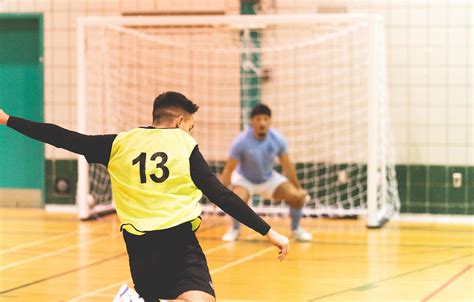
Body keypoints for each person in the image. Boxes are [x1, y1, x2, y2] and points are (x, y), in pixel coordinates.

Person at [0, 92, 289, 302]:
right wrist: (269, 231)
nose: (191, 131)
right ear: (179, 121)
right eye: (191, 125)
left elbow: (62, 137)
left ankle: (132, 300)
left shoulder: (119, 143)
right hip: (179, 244)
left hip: (139, 247)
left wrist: (8, 119)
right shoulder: (183, 144)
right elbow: (220, 195)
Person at [220, 104, 312, 242]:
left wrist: (298, 188)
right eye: (258, 119)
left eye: (265, 119)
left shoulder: (277, 139)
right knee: (236, 201)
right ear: (252, 121)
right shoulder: (241, 141)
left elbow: (287, 165)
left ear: (270, 121)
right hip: (245, 180)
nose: (262, 122)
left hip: (268, 179)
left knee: (297, 197)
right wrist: (219, 193)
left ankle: (296, 229)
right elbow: (228, 169)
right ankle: (234, 229)